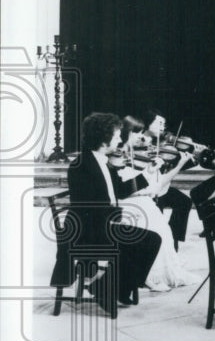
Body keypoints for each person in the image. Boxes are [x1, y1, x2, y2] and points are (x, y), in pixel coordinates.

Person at [50, 112, 162, 316]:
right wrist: (117, 220)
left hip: (101, 224)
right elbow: (88, 208)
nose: (120, 139)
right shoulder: (82, 166)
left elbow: (118, 189)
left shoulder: (100, 160)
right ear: (104, 139)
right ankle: (109, 288)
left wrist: (147, 172)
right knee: (145, 240)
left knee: (152, 239)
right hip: (87, 231)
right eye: (117, 135)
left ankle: (113, 288)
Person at [117, 115, 198, 291]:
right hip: (127, 203)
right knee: (155, 223)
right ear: (124, 133)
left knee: (162, 225)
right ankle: (147, 275)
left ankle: (154, 271)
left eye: (140, 132)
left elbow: (157, 186)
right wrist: (147, 172)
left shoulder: (137, 156)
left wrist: (178, 164)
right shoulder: (119, 157)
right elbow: (124, 189)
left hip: (141, 199)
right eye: (135, 133)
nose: (141, 137)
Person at [142, 109, 194, 251]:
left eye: (163, 124)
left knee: (184, 202)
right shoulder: (141, 143)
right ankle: (164, 244)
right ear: (148, 124)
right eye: (159, 123)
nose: (162, 127)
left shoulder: (163, 144)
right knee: (157, 223)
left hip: (162, 188)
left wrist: (186, 159)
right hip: (151, 192)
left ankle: (173, 239)